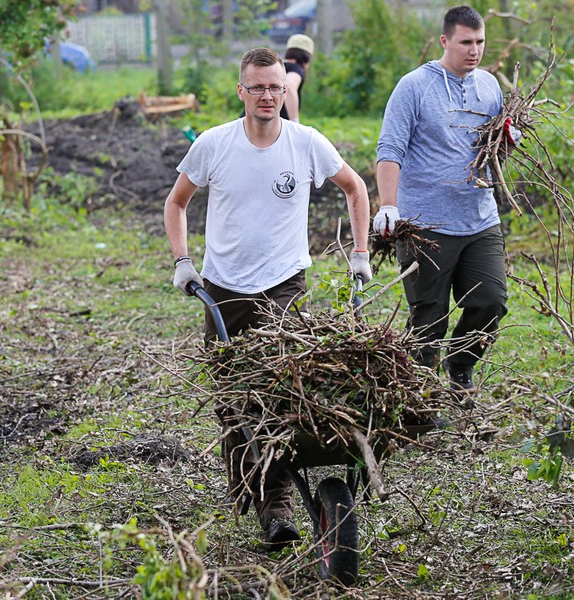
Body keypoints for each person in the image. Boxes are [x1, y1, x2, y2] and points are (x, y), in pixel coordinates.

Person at [164, 47, 372, 550]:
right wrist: (183, 261)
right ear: (242, 91)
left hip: (284, 283)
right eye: (257, 87)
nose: (267, 95)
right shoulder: (214, 144)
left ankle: (277, 506)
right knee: (234, 401)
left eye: (275, 87)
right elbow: (177, 202)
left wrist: (361, 253)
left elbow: (355, 188)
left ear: (286, 89)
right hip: (223, 288)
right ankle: (257, 492)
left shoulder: (306, 143)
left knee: (277, 390)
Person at [373, 5, 507, 391]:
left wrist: (506, 142)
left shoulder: (490, 86)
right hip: (426, 224)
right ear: (445, 41)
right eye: (466, 42)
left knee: (491, 301)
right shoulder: (414, 86)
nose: (474, 50)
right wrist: (388, 205)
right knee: (429, 318)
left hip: (479, 218)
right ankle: (422, 395)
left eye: (480, 42)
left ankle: (460, 365)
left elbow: (491, 153)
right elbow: (390, 148)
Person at [282, 33, 314, 122]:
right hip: (279, 125)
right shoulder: (296, 69)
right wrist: (294, 122)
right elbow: (289, 87)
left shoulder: (276, 66)